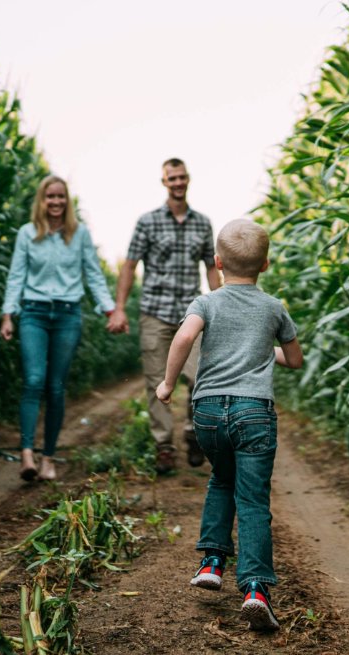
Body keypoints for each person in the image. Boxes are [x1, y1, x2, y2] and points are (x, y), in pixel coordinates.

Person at [155, 219, 302, 631]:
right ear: (266, 265)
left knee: (221, 479)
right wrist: (261, 351)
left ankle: (212, 562)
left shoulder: (207, 303)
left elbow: (184, 339)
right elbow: (294, 359)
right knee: (253, 500)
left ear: (217, 263)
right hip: (254, 412)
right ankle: (255, 589)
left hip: (207, 412)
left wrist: (168, 383)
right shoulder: (274, 307)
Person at [106, 158, 221, 473]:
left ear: (188, 179)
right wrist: (119, 307)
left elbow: (211, 267)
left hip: (192, 313)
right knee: (157, 381)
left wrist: (219, 305)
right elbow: (129, 265)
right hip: (155, 313)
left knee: (200, 377)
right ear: (164, 182)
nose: (178, 182)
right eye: (172, 178)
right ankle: (164, 447)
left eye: (182, 177)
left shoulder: (202, 223)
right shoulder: (147, 222)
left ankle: (193, 432)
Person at [0, 175, 116, 482]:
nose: (55, 202)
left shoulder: (79, 235)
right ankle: (26, 453)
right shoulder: (27, 234)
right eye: (50, 197)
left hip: (67, 315)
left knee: (55, 387)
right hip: (34, 314)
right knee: (34, 380)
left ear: (67, 201)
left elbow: (93, 275)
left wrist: (110, 308)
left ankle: (48, 457)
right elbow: (16, 276)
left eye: (60, 197)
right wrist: (8, 314)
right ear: (42, 200)